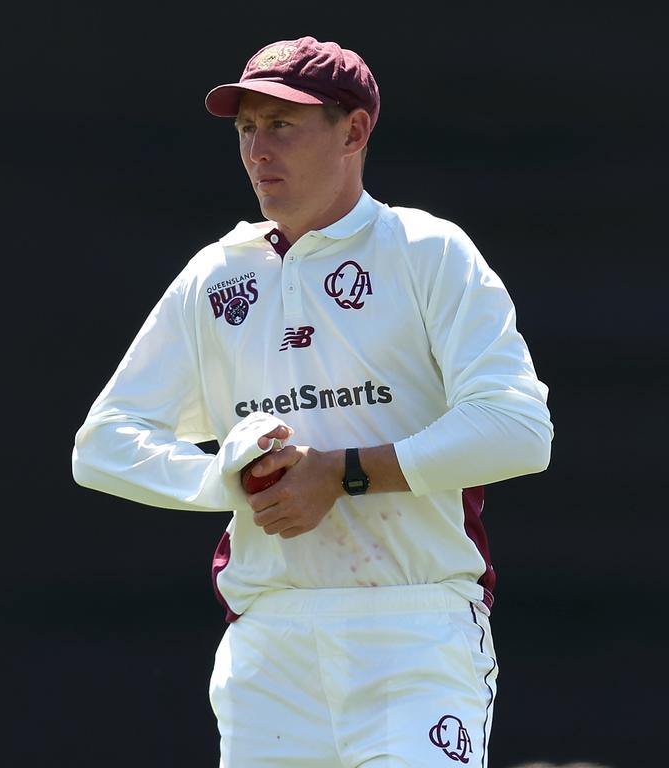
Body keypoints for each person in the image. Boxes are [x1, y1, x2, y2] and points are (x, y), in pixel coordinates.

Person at [71, 35, 553, 767]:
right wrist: (223, 481)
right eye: (245, 129)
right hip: (269, 642)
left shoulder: (425, 250)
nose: (258, 150)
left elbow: (518, 431)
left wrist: (343, 472)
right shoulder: (216, 274)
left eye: (283, 125)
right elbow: (103, 444)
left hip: (414, 630)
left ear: (353, 130)